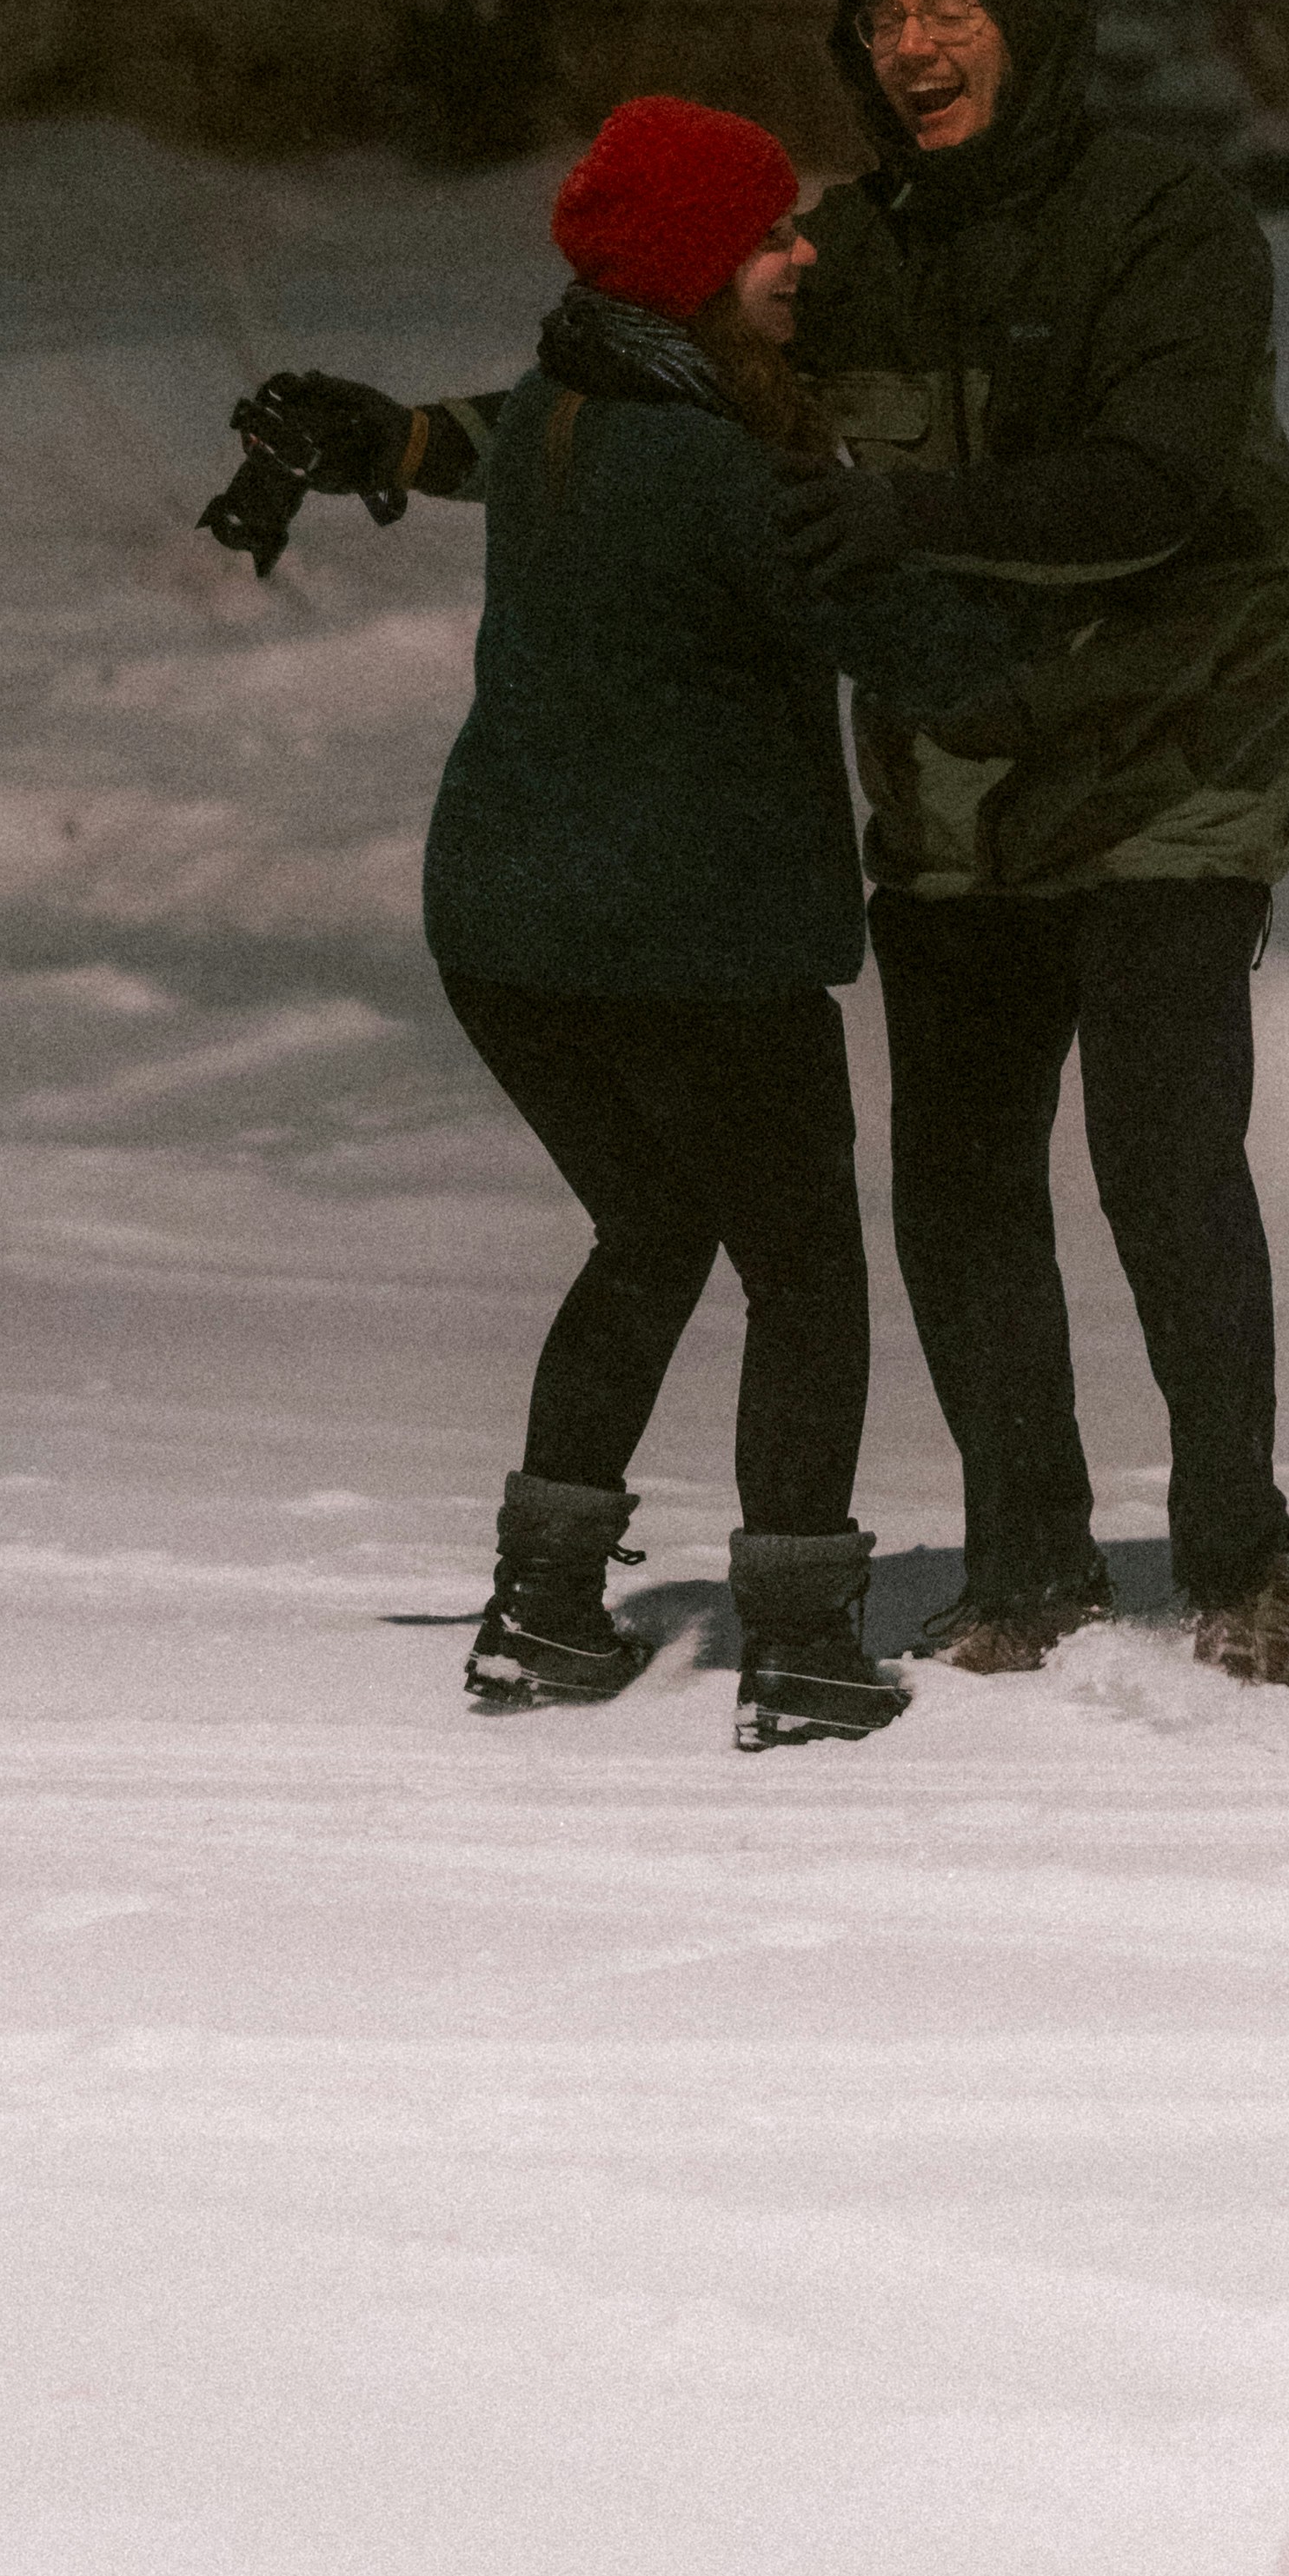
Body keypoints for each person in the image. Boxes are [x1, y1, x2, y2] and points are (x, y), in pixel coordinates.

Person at [230, 0, 1289, 1694]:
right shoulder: (846, 258)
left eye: (943, 5)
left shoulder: (1169, 230)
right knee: (960, 1188)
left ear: (1030, 14)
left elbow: (1153, 485)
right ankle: (1027, 1568)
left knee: (1157, 1162)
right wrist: (410, 441)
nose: (908, 47)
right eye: (881, 23)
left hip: (1159, 765)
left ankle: (1237, 1559)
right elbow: (668, 397)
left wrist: (906, 513)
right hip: (953, 785)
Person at [409, 90, 1043, 1757]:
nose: (797, 255)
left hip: (508, 933)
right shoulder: (723, 467)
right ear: (691, 265)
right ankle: (802, 1644)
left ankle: (538, 1615)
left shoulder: (565, 403)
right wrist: (1062, 654)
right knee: (806, 1279)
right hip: (686, 942)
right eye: (765, 234)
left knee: (648, 1233)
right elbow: (925, 656)